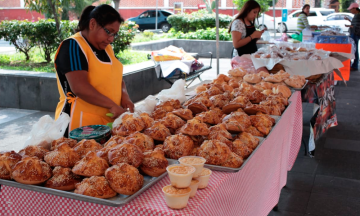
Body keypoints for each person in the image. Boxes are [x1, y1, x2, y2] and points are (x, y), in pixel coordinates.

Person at [54, 4, 134, 134]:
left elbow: (115, 77)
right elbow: (80, 87)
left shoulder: (107, 48)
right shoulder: (73, 46)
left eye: (115, 34)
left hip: (105, 123)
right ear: (92, 24)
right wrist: (112, 105)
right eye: (108, 31)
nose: (111, 39)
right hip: (80, 125)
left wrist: (125, 96)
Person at [345, 3, 360, 70]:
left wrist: (349, 26)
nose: (350, 11)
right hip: (355, 34)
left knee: (354, 50)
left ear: (355, 9)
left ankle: (355, 66)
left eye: (351, 9)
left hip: (355, 34)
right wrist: (349, 20)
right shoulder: (357, 15)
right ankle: (354, 65)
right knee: (354, 49)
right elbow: (355, 24)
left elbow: (355, 26)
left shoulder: (358, 16)